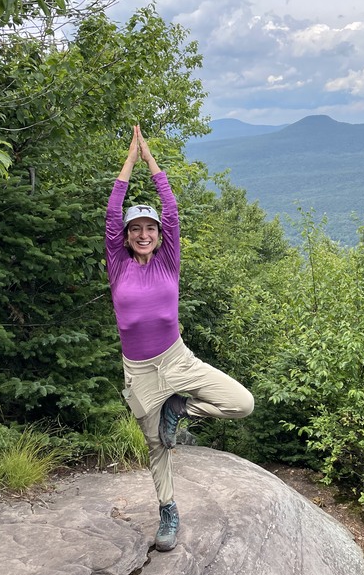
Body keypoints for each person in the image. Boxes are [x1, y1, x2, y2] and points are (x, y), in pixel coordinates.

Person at [105, 125, 254, 552]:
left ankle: (181, 406)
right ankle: (168, 510)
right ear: (127, 235)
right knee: (156, 446)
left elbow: (171, 209)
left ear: (159, 233)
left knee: (241, 403)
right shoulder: (118, 263)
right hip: (140, 372)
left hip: (178, 361)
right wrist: (128, 161)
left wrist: (151, 162)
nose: (144, 233)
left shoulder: (169, 260)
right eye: (137, 229)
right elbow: (113, 211)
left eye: (150, 228)